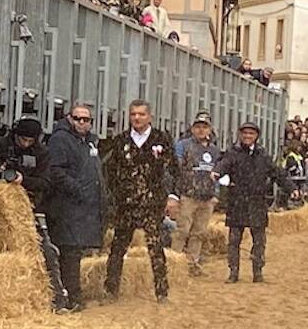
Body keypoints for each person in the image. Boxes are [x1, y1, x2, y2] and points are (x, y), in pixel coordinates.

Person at [0, 118, 63, 309]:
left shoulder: (42, 153)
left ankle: (56, 297)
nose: (25, 144)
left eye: (29, 141)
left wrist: (24, 180)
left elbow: (45, 183)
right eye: (22, 140)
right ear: (15, 135)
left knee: (46, 251)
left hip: (30, 209)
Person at [103, 100, 180, 303]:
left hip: (152, 204)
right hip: (126, 205)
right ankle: (111, 291)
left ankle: (162, 293)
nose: (137, 118)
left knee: (156, 249)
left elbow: (174, 169)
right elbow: (110, 171)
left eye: (141, 114)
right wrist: (116, 195)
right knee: (117, 248)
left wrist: (173, 196)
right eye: (133, 114)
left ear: (149, 116)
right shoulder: (120, 141)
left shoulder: (161, 140)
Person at [217, 122, 298, 283]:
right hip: (237, 202)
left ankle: (258, 272)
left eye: (251, 133)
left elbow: (278, 174)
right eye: (245, 133)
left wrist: (292, 188)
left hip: (257, 203)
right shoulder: (232, 153)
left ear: (256, 136)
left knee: (259, 241)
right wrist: (216, 173)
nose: (247, 136)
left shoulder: (263, 156)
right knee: (234, 241)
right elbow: (222, 165)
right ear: (240, 135)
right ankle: (233, 273)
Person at [46, 104, 103, 312]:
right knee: (69, 250)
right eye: (78, 118)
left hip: (83, 207)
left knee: (75, 251)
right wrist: (78, 189)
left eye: (86, 120)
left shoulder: (89, 142)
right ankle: (70, 296)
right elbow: (55, 171)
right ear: (69, 118)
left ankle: (73, 294)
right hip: (65, 206)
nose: (82, 122)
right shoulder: (60, 140)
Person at [169, 112, 221, 276]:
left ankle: (192, 264)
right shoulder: (183, 145)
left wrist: (216, 193)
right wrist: (174, 194)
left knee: (198, 233)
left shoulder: (214, 150)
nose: (201, 130)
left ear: (210, 130)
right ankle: (174, 264)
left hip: (207, 197)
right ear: (192, 129)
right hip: (188, 195)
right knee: (182, 231)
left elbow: (218, 172)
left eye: (204, 127)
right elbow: (174, 169)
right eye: (197, 126)